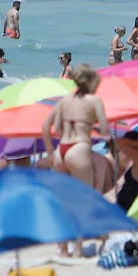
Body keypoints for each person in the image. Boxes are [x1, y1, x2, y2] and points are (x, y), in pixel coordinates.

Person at [45, 65, 112, 193]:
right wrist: (94, 127)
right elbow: (105, 130)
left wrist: (50, 155)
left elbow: (48, 126)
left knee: (63, 198)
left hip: (61, 151)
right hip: (79, 149)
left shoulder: (64, 99)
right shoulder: (94, 100)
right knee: (85, 197)